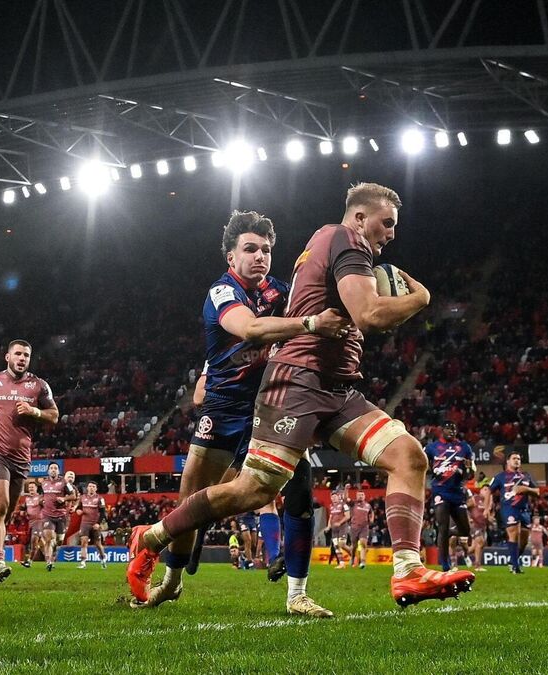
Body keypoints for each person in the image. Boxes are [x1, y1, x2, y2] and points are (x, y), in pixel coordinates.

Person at [127, 183, 475, 609]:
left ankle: (401, 572)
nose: (392, 233)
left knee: (407, 457)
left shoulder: (297, 268)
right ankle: (154, 543)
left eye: (265, 249)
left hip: (332, 387)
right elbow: (362, 316)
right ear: (360, 218)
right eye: (387, 223)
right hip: (278, 390)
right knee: (251, 491)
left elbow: (302, 306)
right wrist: (420, 298)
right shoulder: (336, 243)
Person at [135, 210, 347, 616]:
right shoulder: (222, 292)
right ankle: (172, 581)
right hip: (223, 407)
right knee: (189, 500)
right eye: (250, 249)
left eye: (266, 249)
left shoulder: (282, 292)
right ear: (231, 257)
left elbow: (318, 304)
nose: (260, 256)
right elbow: (250, 328)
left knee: (300, 488)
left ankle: (297, 594)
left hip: (272, 406)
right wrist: (311, 323)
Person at [0, 339, 59, 583]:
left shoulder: (38, 385)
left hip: (21, 458)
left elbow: (54, 415)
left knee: (5, 515)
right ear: (8, 357)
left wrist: (34, 411)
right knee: (0, 504)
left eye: (26, 355)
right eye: (18, 354)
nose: (22, 358)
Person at [425, 422, 475, 572]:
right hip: (440, 491)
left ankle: (448, 533)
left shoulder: (465, 447)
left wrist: (468, 470)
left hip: (458, 492)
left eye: (454, 429)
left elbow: (470, 474)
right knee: (443, 526)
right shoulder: (432, 447)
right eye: (448, 429)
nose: (451, 431)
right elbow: (421, 463)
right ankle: (445, 565)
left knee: (465, 530)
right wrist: (429, 470)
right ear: (442, 430)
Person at [485, 451, 539, 574]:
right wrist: (487, 508)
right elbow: (489, 491)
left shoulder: (526, 476)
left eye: (518, 459)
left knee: (524, 540)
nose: (517, 461)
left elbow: (537, 492)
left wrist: (525, 489)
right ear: (508, 461)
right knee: (513, 533)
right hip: (508, 508)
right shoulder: (500, 476)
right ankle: (515, 567)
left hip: (524, 510)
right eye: (514, 458)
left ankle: (513, 560)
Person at [40, 464, 71, 570]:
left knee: (59, 541)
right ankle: (48, 562)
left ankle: (53, 555)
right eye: (51, 468)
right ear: (48, 471)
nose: (53, 470)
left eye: (55, 468)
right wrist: (41, 501)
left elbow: (73, 495)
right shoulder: (43, 483)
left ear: (58, 471)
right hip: (47, 515)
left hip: (61, 515)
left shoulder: (64, 482)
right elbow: (41, 496)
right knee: (48, 538)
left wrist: (64, 499)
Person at [76, 482, 108, 569]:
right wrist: (78, 511)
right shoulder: (82, 497)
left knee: (97, 544)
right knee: (83, 542)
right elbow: (78, 507)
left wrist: (98, 523)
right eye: (90, 486)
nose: (91, 488)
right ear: (87, 488)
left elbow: (103, 513)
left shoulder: (100, 498)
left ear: (96, 489)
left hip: (95, 524)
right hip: (85, 523)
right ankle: (83, 562)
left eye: (93, 486)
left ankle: (103, 559)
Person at [19, 481, 43, 569]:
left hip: (38, 522)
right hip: (30, 523)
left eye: (32, 487)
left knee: (34, 541)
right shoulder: (27, 498)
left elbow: (46, 507)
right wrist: (22, 512)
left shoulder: (40, 498)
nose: (31, 489)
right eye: (30, 487)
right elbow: (23, 508)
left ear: (36, 488)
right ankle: (50, 560)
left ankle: (29, 561)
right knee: (37, 543)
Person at [348, 490, 374, 569]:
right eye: (359, 495)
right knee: (354, 546)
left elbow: (371, 512)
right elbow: (346, 499)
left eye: (362, 495)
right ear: (356, 496)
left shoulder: (368, 505)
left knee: (363, 543)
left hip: (364, 527)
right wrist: (346, 489)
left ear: (364, 496)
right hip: (354, 527)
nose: (360, 496)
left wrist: (371, 519)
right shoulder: (353, 503)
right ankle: (352, 557)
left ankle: (363, 562)